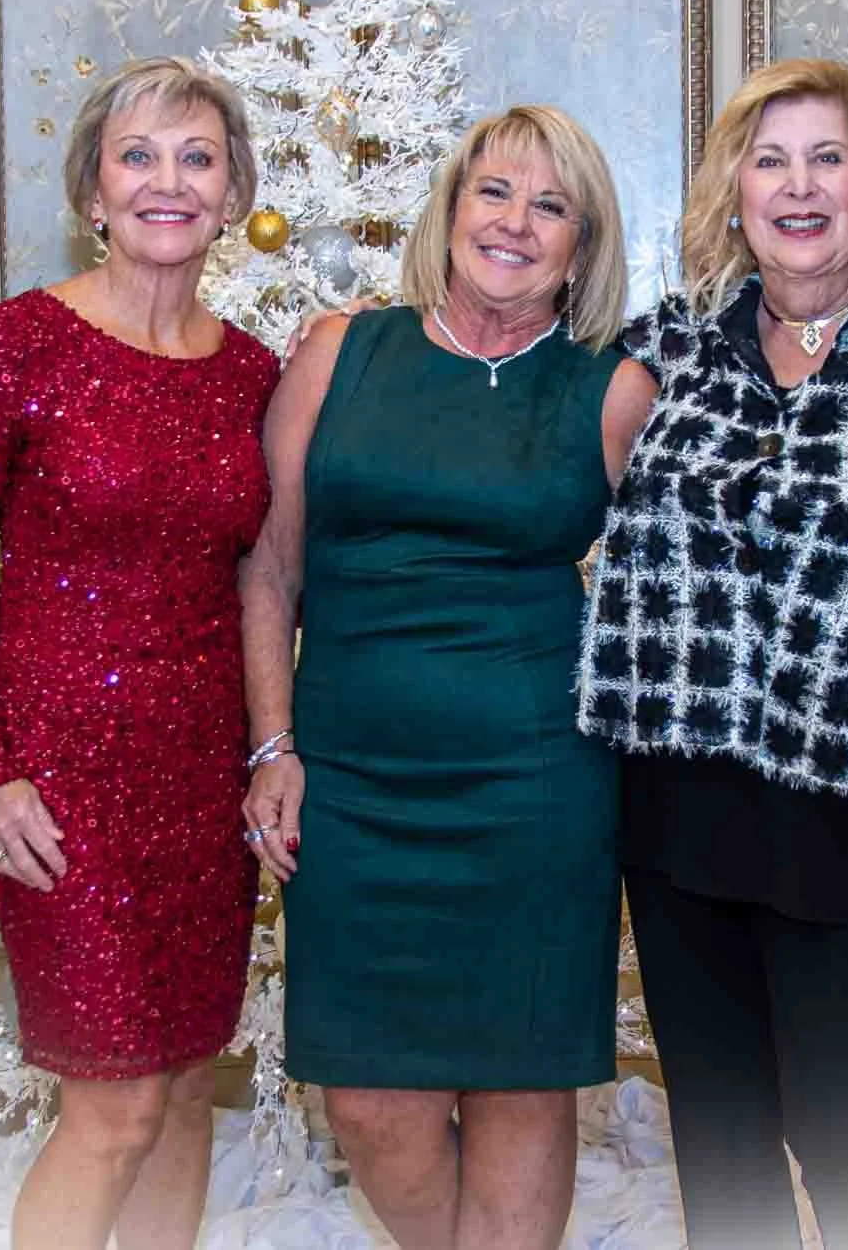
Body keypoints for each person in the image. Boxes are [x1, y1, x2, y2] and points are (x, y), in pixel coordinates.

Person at [239, 105, 656, 1250]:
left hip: (533, 791)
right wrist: (271, 745)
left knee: (522, 1083)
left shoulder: (611, 389)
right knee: (371, 1106)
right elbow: (269, 567)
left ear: (580, 244)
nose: (514, 222)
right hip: (353, 787)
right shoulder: (341, 351)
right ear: (451, 207)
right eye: (494, 192)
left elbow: (678, 588)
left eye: (550, 205)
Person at [576, 57, 848, 1250]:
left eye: (825, 159)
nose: (797, 187)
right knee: (719, 1123)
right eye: (769, 161)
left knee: (843, 1115)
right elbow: (574, 504)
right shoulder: (667, 349)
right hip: (680, 788)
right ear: (734, 193)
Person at [0, 57, 276, 1250]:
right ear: (92, 192)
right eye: (137, 156)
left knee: (182, 1089)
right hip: (57, 789)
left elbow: (266, 580)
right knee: (112, 1110)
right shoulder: (15, 345)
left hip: (203, 788)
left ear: (231, 194)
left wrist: (270, 755)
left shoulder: (253, 375)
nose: (169, 181)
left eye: (197, 158)